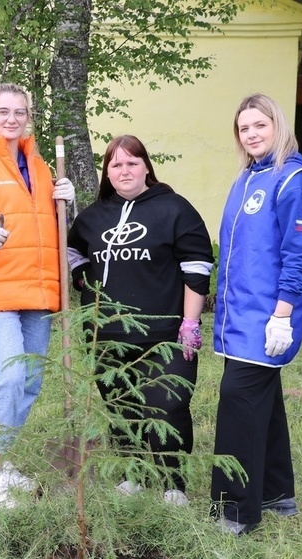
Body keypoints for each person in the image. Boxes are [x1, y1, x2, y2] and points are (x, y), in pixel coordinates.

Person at [67, 135, 214, 505]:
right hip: (106, 334)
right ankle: (133, 473)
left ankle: (172, 484)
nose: (124, 170)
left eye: (132, 162)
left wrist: (190, 323)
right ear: (107, 173)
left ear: (146, 166)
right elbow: (70, 249)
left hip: (165, 332)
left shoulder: (175, 209)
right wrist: (85, 279)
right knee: (120, 407)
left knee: (169, 405)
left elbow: (197, 266)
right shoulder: (94, 215)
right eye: (116, 165)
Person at [0, 83, 75, 507]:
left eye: (19, 112)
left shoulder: (41, 167)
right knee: (9, 377)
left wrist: (65, 200)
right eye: (2, 112)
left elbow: (49, 229)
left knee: (31, 381)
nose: (11, 119)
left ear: (28, 118)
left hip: (38, 290)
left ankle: (3, 463)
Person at [211, 93, 302, 535]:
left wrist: (282, 315)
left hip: (267, 317)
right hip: (239, 316)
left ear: (277, 126)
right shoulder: (248, 178)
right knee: (264, 400)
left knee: (238, 401)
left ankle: (235, 510)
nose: (252, 134)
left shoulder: (292, 181)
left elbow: (300, 256)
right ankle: (278, 492)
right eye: (244, 128)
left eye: (260, 125)